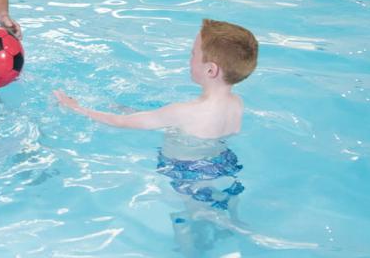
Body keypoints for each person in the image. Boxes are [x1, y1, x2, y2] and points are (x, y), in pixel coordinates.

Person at [54, 19, 258, 215]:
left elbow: (123, 123)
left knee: (192, 216)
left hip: (187, 171)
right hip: (223, 162)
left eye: (193, 54)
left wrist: (78, 108)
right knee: (227, 206)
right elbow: (186, 128)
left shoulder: (183, 111)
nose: (189, 59)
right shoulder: (236, 103)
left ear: (210, 69)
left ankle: (188, 248)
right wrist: (129, 109)